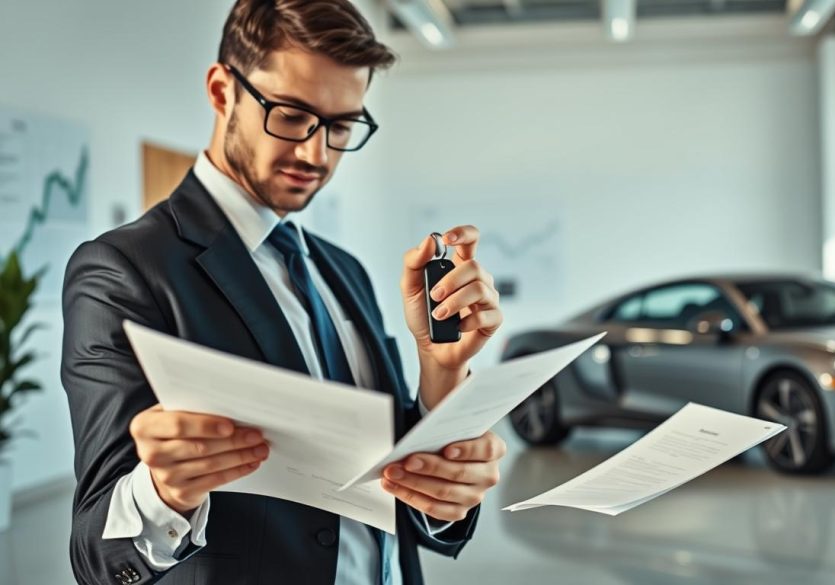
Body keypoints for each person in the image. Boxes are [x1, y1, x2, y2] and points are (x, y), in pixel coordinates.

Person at [60, 1, 506, 583]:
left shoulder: (342, 270)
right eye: (292, 116)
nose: (315, 154)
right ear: (223, 92)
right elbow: (95, 553)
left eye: (341, 126)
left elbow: (387, 482)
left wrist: (442, 380)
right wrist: (164, 491)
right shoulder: (124, 270)